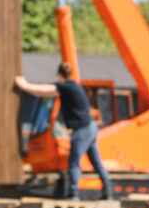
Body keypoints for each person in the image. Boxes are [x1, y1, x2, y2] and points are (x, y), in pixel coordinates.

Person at [13, 62, 114, 200]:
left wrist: (24, 85)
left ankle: (73, 194)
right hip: (90, 127)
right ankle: (107, 192)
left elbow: (42, 91)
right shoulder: (74, 86)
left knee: (73, 162)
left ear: (59, 75)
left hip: (82, 130)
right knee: (96, 162)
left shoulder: (66, 87)